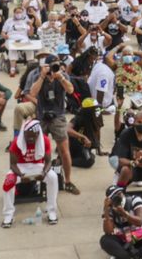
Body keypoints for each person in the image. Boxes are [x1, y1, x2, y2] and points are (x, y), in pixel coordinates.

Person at [29, 52, 79, 194]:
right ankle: (39, 179)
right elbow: (32, 93)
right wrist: (42, 76)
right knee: (40, 150)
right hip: (42, 116)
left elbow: (70, 90)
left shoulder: (61, 76)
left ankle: (68, 181)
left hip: (58, 116)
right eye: (53, 66)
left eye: (57, 65)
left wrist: (61, 77)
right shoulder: (39, 76)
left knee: (64, 150)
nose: (55, 68)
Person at [1, 118, 58, 228]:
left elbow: (48, 161)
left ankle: (51, 211)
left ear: (38, 133)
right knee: (8, 181)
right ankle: (8, 214)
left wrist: (45, 172)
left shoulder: (44, 140)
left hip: (38, 166)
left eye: (33, 136)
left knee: (53, 177)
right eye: (28, 136)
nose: (31, 139)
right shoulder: (17, 141)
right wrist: (20, 175)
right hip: (20, 167)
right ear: (24, 133)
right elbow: (13, 164)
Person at [101, 184, 142, 259]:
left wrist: (124, 214)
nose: (119, 197)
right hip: (124, 240)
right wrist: (106, 211)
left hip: (141, 237)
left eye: (119, 193)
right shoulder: (110, 208)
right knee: (105, 240)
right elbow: (108, 231)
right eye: (114, 197)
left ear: (123, 193)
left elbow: (139, 221)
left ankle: (128, 255)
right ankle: (131, 256)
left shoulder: (134, 199)